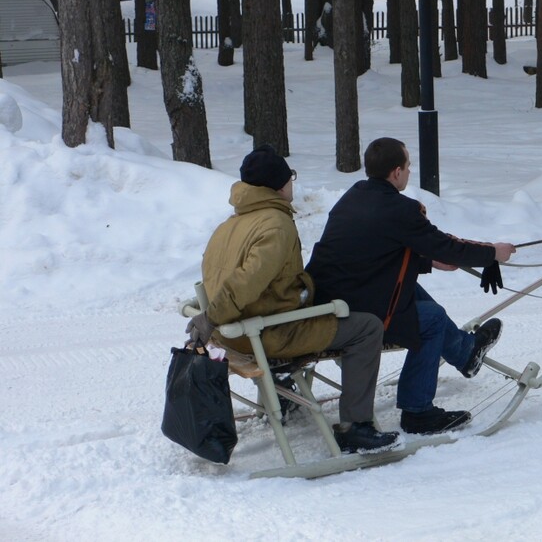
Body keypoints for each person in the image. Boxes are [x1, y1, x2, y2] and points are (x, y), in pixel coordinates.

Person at [185, 144, 399, 454]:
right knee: (366, 327)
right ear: (278, 184)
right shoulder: (275, 223)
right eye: (290, 178)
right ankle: (356, 426)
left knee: (315, 309)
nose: (292, 184)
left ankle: (284, 396)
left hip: (231, 335)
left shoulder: (229, 224)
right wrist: (212, 316)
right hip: (264, 336)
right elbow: (246, 283)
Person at [306, 137, 517, 435]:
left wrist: (427, 262)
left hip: (332, 297)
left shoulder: (353, 197)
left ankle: (467, 352)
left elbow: (371, 253)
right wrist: (493, 253)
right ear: (395, 172)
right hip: (356, 317)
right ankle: (418, 411)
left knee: (412, 292)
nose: (408, 172)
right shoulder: (400, 209)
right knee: (430, 319)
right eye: (407, 166)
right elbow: (446, 246)